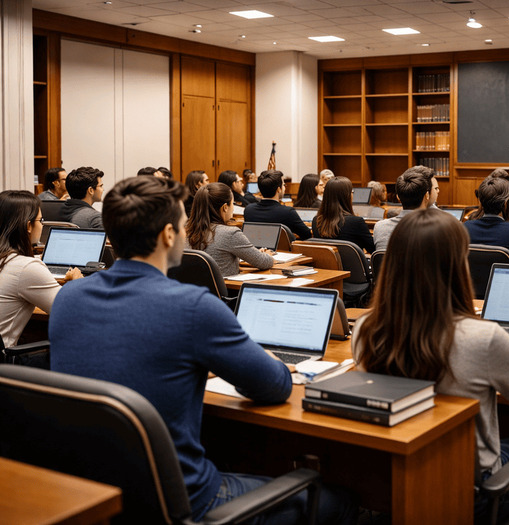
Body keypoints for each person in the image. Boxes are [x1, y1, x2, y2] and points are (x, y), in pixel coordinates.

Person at [49, 176, 357, 524]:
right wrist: (265, 358)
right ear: (168, 235)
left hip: (97, 494)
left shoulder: (68, 298)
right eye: (182, 225)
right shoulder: (193, 307)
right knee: (340, 501)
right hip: (185, 499)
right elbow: (274, 387)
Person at [351, 208, 509, 522]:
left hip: (393, 478)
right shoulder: (483, 337)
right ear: (457, 266)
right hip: (470, 490)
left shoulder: (366, 328)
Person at [0, 191, 81, 347]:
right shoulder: (26, 268)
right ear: (28, 226)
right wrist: (75, 284)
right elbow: (70, 313)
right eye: (40, 220)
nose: (42, 224)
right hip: (5, 365)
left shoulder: (9, 261)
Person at [186, 183, 273, 277]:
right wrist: (267, 255)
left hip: (192, 290)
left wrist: (252, 253)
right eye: (232, 203)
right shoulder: (230, 234)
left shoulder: (185, 231)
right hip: (227, 290)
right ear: (225, 207)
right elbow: (264, 262)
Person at [373, 166, 437, 251]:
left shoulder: (380, 227)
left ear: (398, 197)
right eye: (435, 189)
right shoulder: (436, 230)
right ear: (427, 195)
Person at [312, 176, 375, 253]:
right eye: (352, 191)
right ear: (347, 196)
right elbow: (373, 250)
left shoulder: (316, 221)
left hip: (325, 265)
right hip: (352, 265)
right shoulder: (357, 222)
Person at [244, 170, 312, 240]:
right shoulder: (287, 212)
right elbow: (307, 234)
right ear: (279, 189)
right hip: (281, 250)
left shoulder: (249, 210)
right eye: (283, 185)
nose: (284, 187)